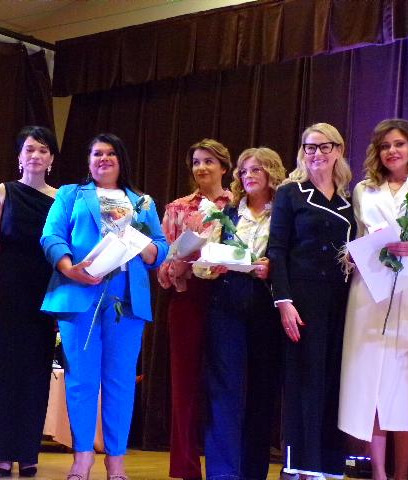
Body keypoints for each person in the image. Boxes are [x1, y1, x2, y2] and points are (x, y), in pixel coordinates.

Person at [40, 133, 168, 480]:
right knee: (81, 380)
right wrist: (69, 268)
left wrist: (146, 247)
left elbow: (160, 247)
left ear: (121, 160)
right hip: (80, 292)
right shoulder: (70, 194)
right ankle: (82, 457)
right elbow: (51, 235)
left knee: (120, 382)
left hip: (126, 298)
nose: (104, 159)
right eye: (97, 153)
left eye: (111, 153)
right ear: (89, 160)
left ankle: (116, 461)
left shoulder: (141, 201)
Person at [338, 119, 408, 480]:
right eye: (385, 146)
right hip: (370, 295)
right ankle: (379, 473)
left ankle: (400, 474)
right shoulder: (364, 190)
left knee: (406, 391)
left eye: (398, 144)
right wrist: (353, 255)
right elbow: (356, 237)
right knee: (370, 385)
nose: (392, 151)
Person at [267, 123, 355, 479]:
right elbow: (277, 249)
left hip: (341, 299)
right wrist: (284, 302)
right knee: (305, 380)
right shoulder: (291, 193)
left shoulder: (350, 199)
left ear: (338, 150)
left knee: (332, 380)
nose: (316, 154)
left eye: (323, 147)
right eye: (309, 147)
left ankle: (329, 466)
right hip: (303, 298)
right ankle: (302, 465)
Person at [0, 126, 59, 477]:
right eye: (29, 149)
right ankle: (1, 453)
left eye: (43, 150)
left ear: (51, 159)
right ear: (19, 156)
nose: (35, 155)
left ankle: (27, 451)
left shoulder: (61, 199)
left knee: (34, 373)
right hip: (4, 291)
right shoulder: (2, 191)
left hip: (42, 294)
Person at [199, 147, 285, 480]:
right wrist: (214, 265)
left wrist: (272, 267)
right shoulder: (228, 212)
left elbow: (292, 257)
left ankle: (252, 472)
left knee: (262, 391)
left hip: (266, 304)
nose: (248, 176)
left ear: (271, 173)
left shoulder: (284, 212)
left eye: (256, 170)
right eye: (244, 171)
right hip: (227, 302)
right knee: (224, 389)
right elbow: (203, 263)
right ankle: (223, 473)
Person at [157, 139, 233, 480]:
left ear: (224, 167)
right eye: (196, 161)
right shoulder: (177, 208)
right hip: (187, 299)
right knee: (184, 384)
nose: (201, 167)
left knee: (224, 383)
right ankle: (185, 466)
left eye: (209, 161)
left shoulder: (238, 205)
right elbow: (161, 269)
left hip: (228, 299)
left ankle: (223, 464)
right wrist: (177, 265)